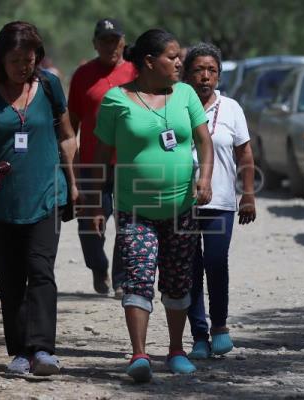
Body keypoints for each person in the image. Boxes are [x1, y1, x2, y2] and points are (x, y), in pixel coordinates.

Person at [91, 29, 214, 382]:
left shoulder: (186, 94)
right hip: (134, 210)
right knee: (138, 278)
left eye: (180, 57)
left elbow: (204, 142)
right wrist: (95, 203)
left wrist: (204, 179)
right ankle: (139, 354)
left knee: (177, 281)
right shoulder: (117, 100)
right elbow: (99, 156)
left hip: (182, 209)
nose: (180, 63)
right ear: (149, 62)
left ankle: (176, 350)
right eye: (173, 57)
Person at [0, 21, 78, 375]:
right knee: (11, 276)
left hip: (47, 193)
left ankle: (43, 349)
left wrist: (73, 182)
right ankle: (19, 352)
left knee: (41, 269)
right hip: (2, 201)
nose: (23, 67)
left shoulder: (49, 85)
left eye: (30, 59)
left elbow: (66, 135)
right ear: (0, 59)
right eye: (16, 60)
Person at [182, 43, 256, 359]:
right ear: (187, 74)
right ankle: (199, 334)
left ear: (219, 74)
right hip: (181, 201)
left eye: (211, 70)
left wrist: (248, 195)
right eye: (199, 69)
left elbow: (245, 154)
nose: (205, 76)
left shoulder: (232, 108)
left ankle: (220, 326)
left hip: (221, 201)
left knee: (215, 262)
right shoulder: (175, 106)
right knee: (189, 268)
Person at [68, 18, 137, 297]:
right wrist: (68, 164)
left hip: (129, 163)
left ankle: (121, 279)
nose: (110, 46)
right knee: (89, 225)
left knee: (127, 223)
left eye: (115, 40)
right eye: (104, 40)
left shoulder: (136, 72)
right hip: (91, 164)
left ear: (123, 42)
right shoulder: (83, 75)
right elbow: (71, 124)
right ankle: (98, 266)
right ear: (95, 44)